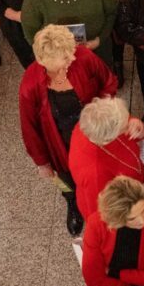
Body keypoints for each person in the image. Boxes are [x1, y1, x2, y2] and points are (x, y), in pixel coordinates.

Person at [19, 24, 117, 234]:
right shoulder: (30, 83)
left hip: (93, 134)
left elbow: (108, 82)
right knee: (66, 178)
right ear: (45, 62)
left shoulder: (83, 57)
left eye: (71, 52)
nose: (72, 59)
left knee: (99, 172)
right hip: (59, 141)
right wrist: (41, 162)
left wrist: (102, 111)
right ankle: (73, 203)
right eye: (65, 58)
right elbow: (29, 127)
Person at [69, 95, 144, 219]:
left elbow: (114, 117)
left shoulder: (91, 122)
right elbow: (100, 215)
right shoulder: (94, 174)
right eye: (124, 126)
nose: (128, 123)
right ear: (109, 138)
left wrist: (135, 123)